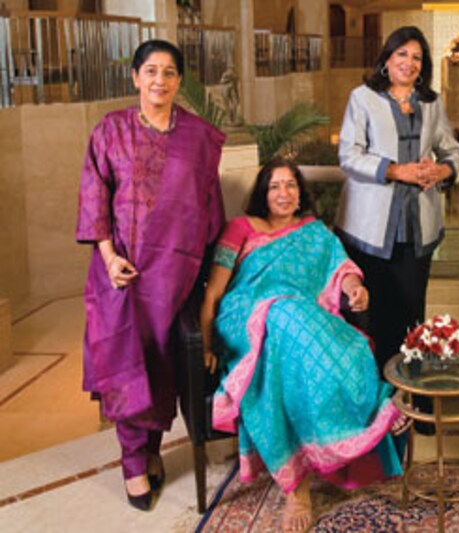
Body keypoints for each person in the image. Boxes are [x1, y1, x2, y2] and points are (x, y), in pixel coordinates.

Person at [201, 159, 404, 533]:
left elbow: (342, 270)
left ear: (300, 193)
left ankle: (368, 410)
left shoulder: (315, 233)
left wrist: (356, 290)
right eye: (275, 186)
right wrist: (208, 342)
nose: (283, 193)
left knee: (350, 347)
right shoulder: (240, 228)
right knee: (283, 313)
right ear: (263, 192)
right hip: (247, 315)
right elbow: (214, 292)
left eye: (291, 186)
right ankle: (297, 485)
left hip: (300, 318)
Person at [75, 39, 225, 511]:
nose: (160, 80)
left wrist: (206, 276)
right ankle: (132, 463)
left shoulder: (199, 137)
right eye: (152, 71)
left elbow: (209, 206)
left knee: (163, 367)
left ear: (180, 81)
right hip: (122, 276)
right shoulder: (110, 132)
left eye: (170, 73)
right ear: (136, 77)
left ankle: (152, 450)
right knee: (126, 364)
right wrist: (107, 255)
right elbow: (94, 195)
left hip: (176, 279)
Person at [335, 26, 459, 369]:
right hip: (369, 231)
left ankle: (410, 399)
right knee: (369, 318)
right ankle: (374, 405)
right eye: (401, 54)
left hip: (417, 229)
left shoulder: (431, 104)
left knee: (411, 318)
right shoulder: (362, 98)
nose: (409, 63)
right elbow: (349, 155)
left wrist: (442, 171)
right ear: (386, 59)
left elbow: (452, 151)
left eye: (417, 57)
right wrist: (396, 171)